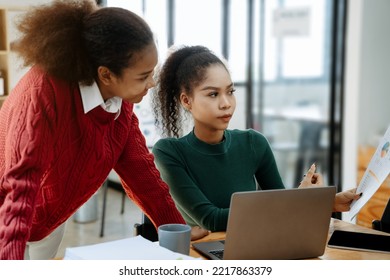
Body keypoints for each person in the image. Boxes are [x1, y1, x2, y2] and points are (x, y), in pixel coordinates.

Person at [0, 0, 198, 260]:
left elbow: (139, 169)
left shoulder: (120, 102)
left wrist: (174, 227)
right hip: (8, 218)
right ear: (106, 74)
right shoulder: (43, 95)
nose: (151, 83)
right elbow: (19, 190)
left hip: (48, 222)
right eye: (142, 76)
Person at [151, 45, 361, 232]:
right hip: (202, 256)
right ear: (187, 100)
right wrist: (296, 200)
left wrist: (324, 202)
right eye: (213, 94)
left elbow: (279, 205)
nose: (226, 103)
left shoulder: (253, 142)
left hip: (255, 243)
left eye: (230, 91)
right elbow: (212, 220)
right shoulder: (169, 152)